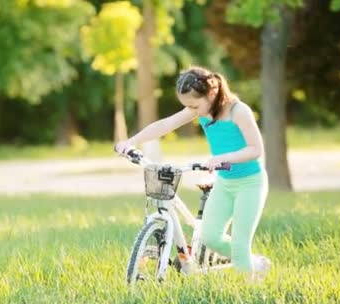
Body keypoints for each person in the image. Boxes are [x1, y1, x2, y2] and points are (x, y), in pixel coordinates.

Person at [114, 65, 271, 281]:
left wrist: (223, 158)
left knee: (240, 244)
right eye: (188, 107)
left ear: (212, 93)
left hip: (250, 183)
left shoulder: (238, 111)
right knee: (210, 237)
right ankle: (256, 263)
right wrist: (132, 142)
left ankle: (253, 293)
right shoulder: (201, 109)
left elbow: (256, 149)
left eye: (195, 106)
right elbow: (165, 125)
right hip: (225, 183)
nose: (192, 111)